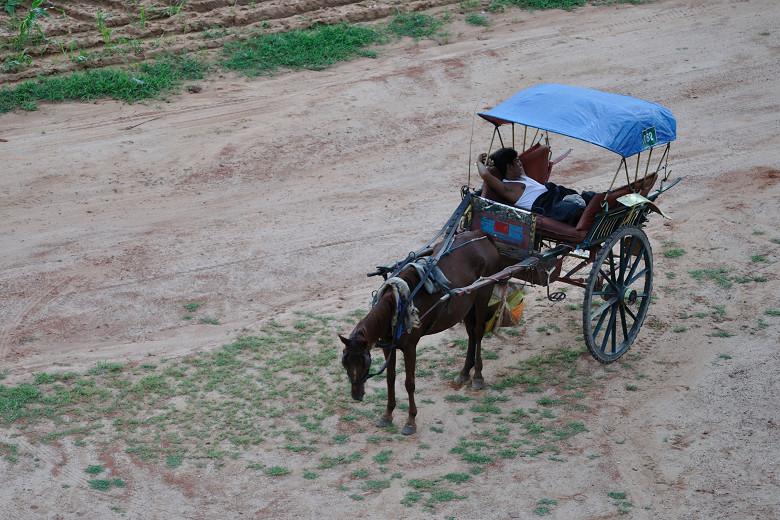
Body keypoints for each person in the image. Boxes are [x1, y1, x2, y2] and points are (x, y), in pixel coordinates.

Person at [476, 147, 595, 226]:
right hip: (544, 205)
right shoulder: (508, 188)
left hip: (552, 193)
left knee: (590, 197)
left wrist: (544, 148)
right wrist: (479, 162)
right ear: (509, 166)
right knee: (572, 210)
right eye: (517, 161)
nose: (520, 163)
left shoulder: (521, 175)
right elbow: (485, 174)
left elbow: (532, 155)